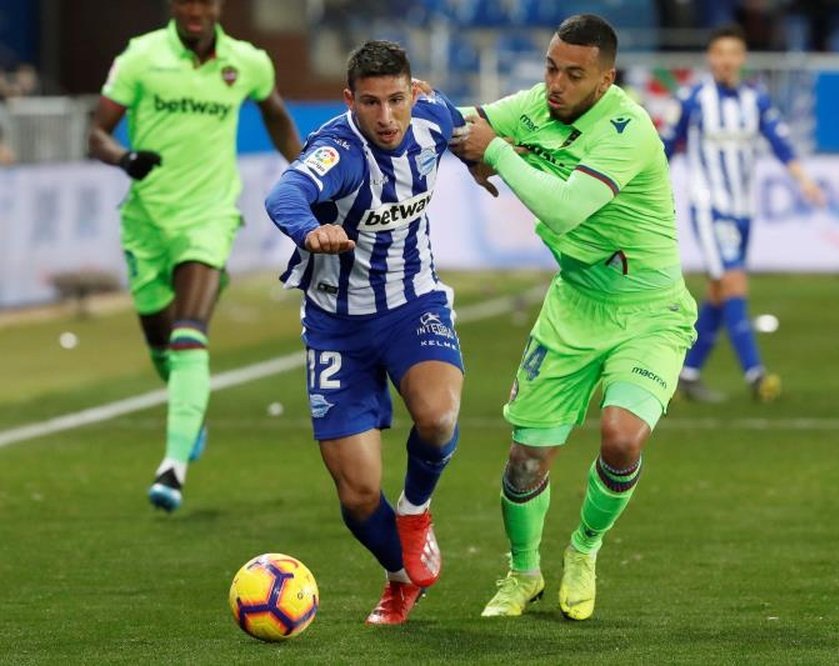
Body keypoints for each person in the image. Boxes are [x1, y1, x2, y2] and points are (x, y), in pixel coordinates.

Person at [450, 14, 697, 621]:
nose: (555, 84)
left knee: (620, 437)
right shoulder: (539, 103)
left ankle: (584, 550)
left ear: (606, 79)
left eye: (573, 74)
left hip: (649, 310)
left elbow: (563, 211)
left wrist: (496, 154)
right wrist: (470, 150)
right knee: (525, 459)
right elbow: (467, 125)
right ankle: (523, 573)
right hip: (573, 305)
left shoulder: (629, 130)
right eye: (551, 68)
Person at [264, 41, 465, 626]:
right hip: (336, 327)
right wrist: (309, 230)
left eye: (397, 100)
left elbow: (469, 128)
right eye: (371, 103)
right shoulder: (339, 151)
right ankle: (400, 577)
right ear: (350, 99)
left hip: (412, 304)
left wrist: (482, 162)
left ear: (415, 92)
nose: (386, 117)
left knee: (438, 415)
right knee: (355, 495)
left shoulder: (432, 116)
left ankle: (416, 510)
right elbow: (285, 192)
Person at [88, 0, 301, 511]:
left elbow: (275, 115)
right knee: (163, 345)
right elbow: (95, 134)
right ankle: (192, 409)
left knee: (189, 335)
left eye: (204, 1)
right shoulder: (141, 57)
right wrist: (125, 158)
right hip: (146, 223)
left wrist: (309, 175)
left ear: (218, 6)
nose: (195, 10)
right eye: (186, 1)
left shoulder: (247, 62)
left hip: (210, 217)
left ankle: (173, 466)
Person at [661, 23, 824, 403]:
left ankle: (687, 373)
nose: (726, 61)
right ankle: (757, 375)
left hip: (743, 209)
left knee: (719, 292)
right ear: (710, 58)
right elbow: (665, 148)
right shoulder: (692, 99)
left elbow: (780, 143)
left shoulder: (756, 100)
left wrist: (804, 181)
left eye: (733, 53)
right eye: (719, 54)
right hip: (709, 206)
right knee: (734, 284)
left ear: (742, 59)